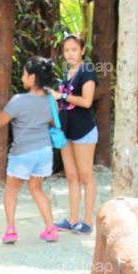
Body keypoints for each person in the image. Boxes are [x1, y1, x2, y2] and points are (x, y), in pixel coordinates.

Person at [0, 56, 59, 243]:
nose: (22, 77)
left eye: (24, 74)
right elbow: (55, 122)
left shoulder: (18, 100)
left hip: (23, 152)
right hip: (45, 151)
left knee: (11, 190)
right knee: (36, 188)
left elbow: (0, 122)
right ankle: (50, 228)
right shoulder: (51, 101)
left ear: (32, 78)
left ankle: (10, 231)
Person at [51, 33, 98, 234]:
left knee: (86, 175)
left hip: (83, 131)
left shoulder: (87, 70)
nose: (70, 54)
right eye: (66, 50)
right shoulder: (67, 72)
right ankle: (72, 219)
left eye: (74, 50)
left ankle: (87, 222)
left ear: (82, 51)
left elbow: (87, 101)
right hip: (66, 131)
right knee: (71, 176)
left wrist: (61, 95)